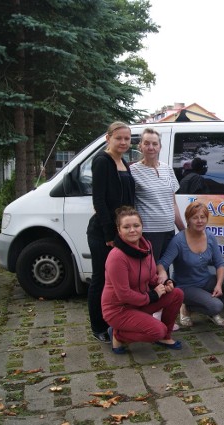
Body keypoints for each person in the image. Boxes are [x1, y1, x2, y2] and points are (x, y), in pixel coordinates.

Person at [102, 206, 184, 353]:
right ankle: (118, 334)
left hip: (141, 301)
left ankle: (165, 336)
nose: (132, 230)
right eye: (126, 227)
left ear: (142, 227)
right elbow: (124, 294)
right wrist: (152, 296)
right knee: (157, 330)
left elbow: (151, 277)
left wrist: (165, 283)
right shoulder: (117, 257)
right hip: (119, 309)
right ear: (119, 230)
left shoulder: (147, 247)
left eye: (136, 225)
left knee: (177, 294)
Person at [157, 202, 224, 327]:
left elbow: (220, 263)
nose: (199, 221)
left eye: (203, 217)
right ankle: (187, 308)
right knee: (217, 306)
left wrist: (219, 285)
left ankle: (210, 307)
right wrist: (162, 273)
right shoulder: (179, 240)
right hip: (186, 286)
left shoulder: (210, 237)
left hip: (205, 280)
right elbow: (162, 263)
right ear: (188, 219)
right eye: (195, 217)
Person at [86, 121, 135, 343]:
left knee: (117, 280)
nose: (123, 142)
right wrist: (109, 235)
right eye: (119, 138)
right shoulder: (102, 161)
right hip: (103, 234)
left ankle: (114, 320)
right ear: (108, 138)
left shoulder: (122, 161)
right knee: (100, 279)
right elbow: (99, 201)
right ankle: (98, 326)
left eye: (127, 138)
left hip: (121, 232)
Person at [130, 128, 185, 260]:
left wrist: (183, 230)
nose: (151, 147)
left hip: (168, 231)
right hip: (148, 232)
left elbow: (173, 203)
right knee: (150, 272)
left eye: (155, 144)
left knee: (163, 270)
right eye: (147, 143)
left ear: (160, 147)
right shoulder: (133, 170)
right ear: (140, 146)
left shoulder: (167, 169)